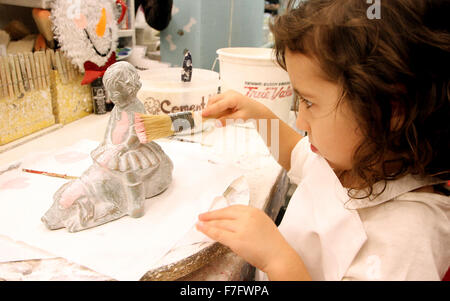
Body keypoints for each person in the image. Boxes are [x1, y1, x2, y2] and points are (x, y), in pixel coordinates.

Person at [195, 0, 449, 280]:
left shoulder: (409, 236)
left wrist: (278, 260)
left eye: (310, 102)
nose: (301, 121)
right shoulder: (342, 157)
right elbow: (293, 153)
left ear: (390, 110)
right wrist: (258, 115)